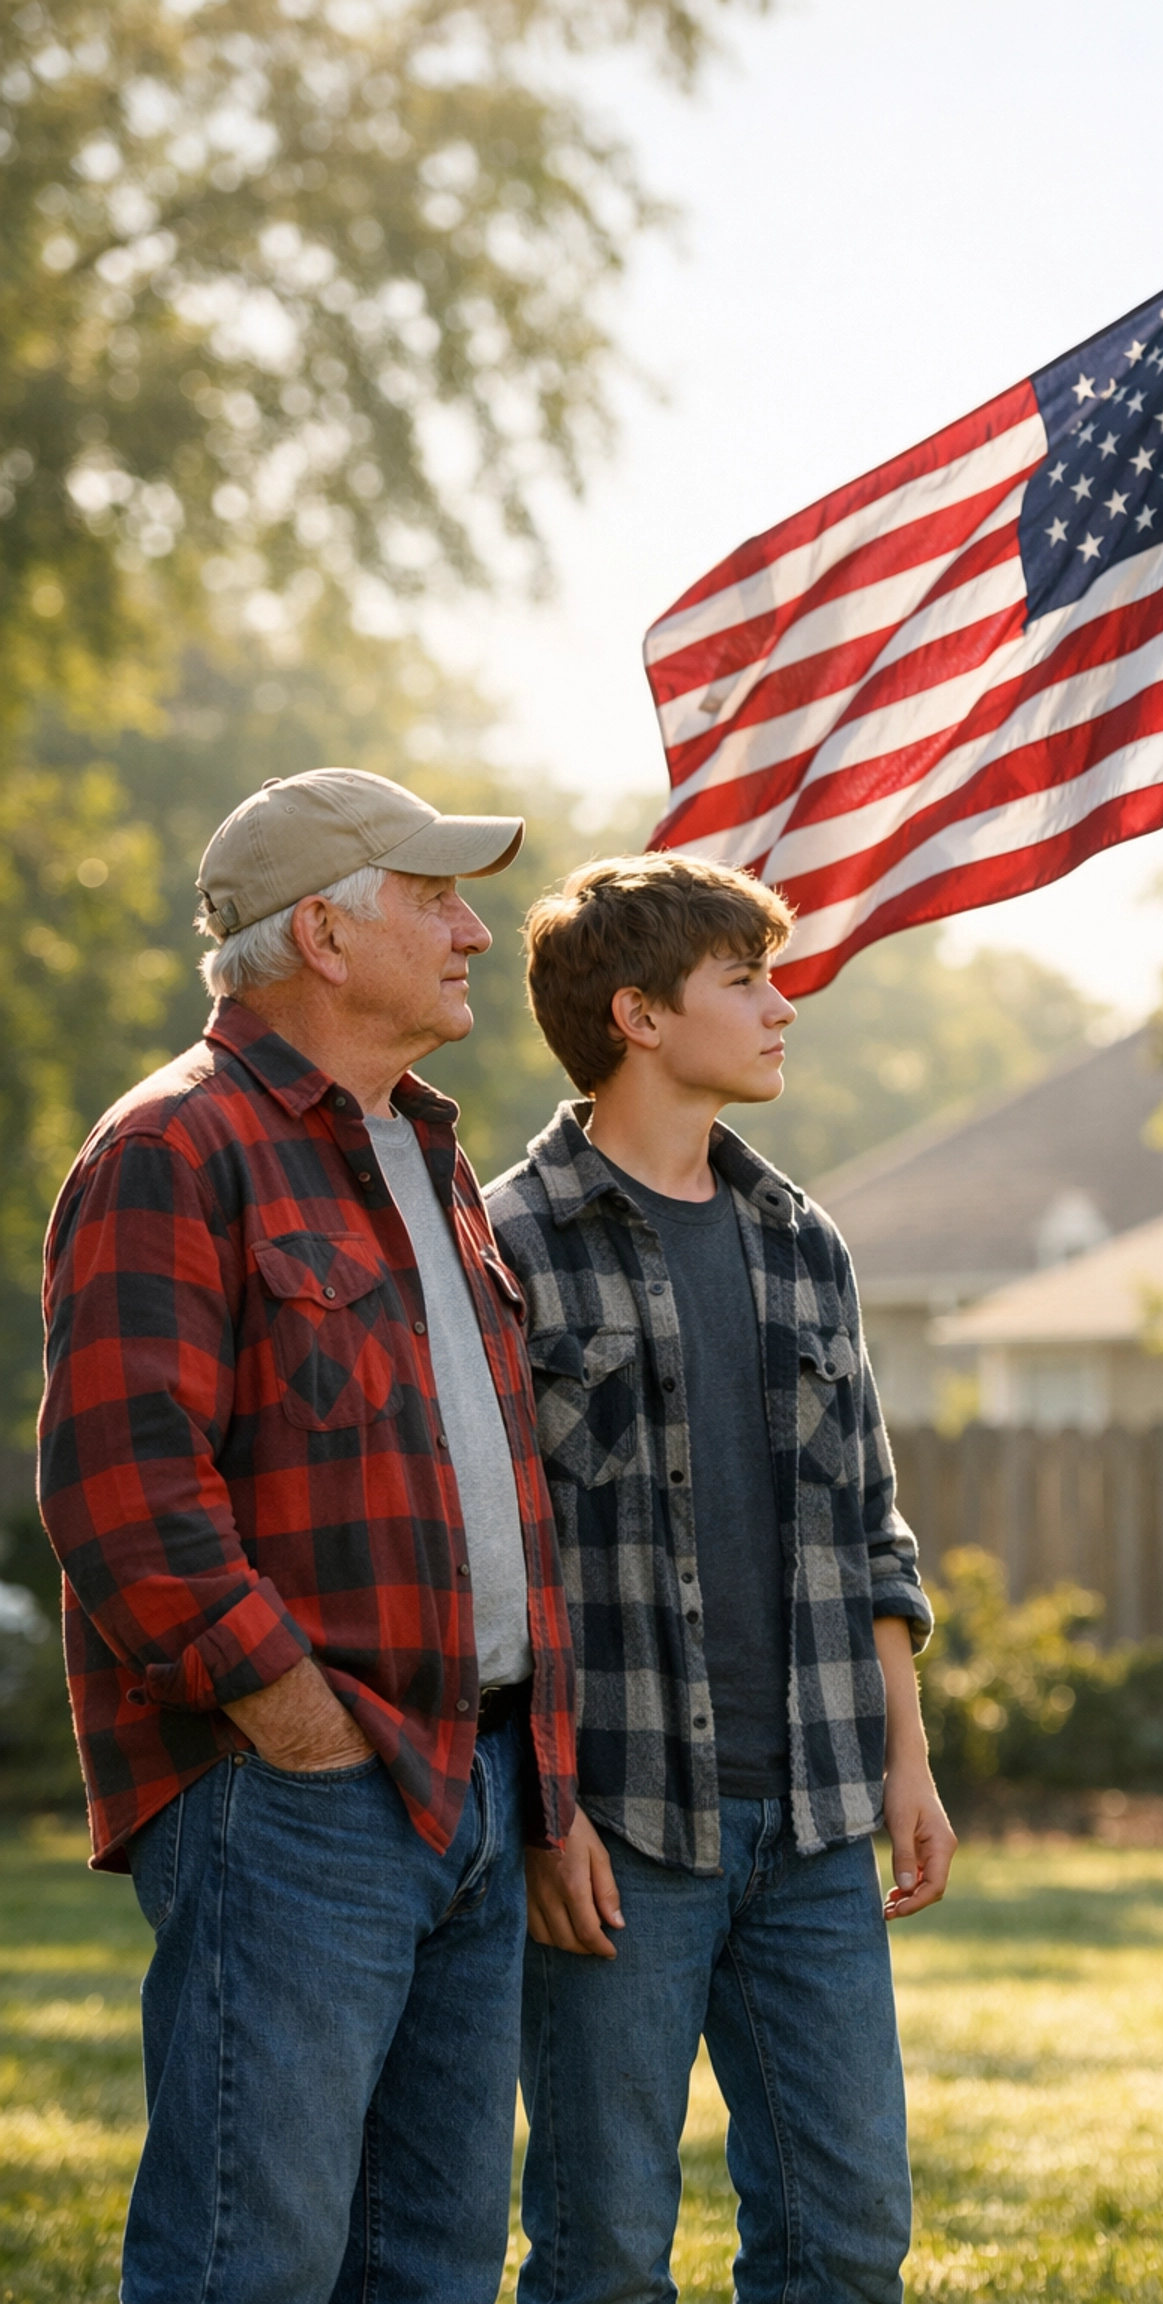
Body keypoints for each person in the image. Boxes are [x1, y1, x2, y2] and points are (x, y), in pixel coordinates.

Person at [37, 767, 577, 2304]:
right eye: (435, 900)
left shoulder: (427, 1152)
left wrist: (519, 1766)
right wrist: (295, 1716)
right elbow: (118, 1478)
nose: (476, 934)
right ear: (325, 937)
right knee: (249, 2263)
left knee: (432, 2264)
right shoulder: (173, 1148)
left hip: (464, 1784)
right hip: (298, 1796)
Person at [485, 852, 957, 2304]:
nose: (781, 1006)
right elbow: (495, 1566)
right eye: (744, 981)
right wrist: (547, 1809)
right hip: (619, 1826)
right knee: (604, 2248)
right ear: (636, 1014)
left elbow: (868, 1523)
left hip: (815, 1819)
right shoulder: (506, 1245)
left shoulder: (803, 1239)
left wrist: (908, 1762)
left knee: (848, 2235)